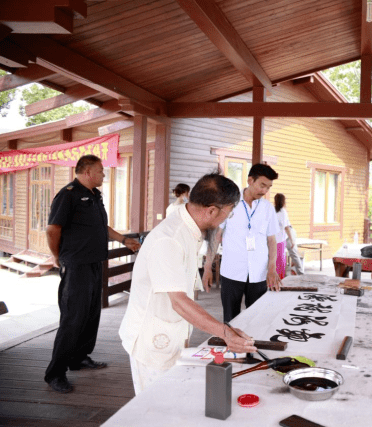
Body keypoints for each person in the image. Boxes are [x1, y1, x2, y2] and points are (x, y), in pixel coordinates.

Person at [119, 172, 257, 394]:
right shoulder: (170, 239)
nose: (226, 220)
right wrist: (225, 333)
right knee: (154, 408)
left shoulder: (190, 229)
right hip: (151, 340)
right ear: (212, 210)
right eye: (228, 214)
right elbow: (179, 302)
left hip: (172, 331)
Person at [44, 155, 141, 394]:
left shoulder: (95, 196)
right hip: (76, 264)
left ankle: (79, 358)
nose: (104, 175)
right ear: (87, 171)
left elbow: (101, 227)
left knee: (90, 314)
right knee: (72, 318)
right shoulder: (68, 194)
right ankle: (55, 373)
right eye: (100, 171)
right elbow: (52, 229)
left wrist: (123, 239)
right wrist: (58, 257)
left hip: (94, 263)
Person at [203, 164, 281, 322]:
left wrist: (272, 268)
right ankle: (233, 347)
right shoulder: (229, 203)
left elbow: (272, 241)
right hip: (232, 271)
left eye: (268, 187)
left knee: (257, 319)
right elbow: (216, 237)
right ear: (250, 180)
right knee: (231, 320)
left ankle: (253, 346)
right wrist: (207, 268)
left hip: (259, 273)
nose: (265, 191)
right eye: (262, 185)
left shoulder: (267, 208)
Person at [274, 193, 303, 277]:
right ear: (283, 201)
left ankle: (301, 274)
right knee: (283, 256)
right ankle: (284, 275)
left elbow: (286, 227)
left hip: (288, 233)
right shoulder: (276, 210)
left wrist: (291, 240)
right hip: (281, 235)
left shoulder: (282, 211)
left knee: (293, 253)